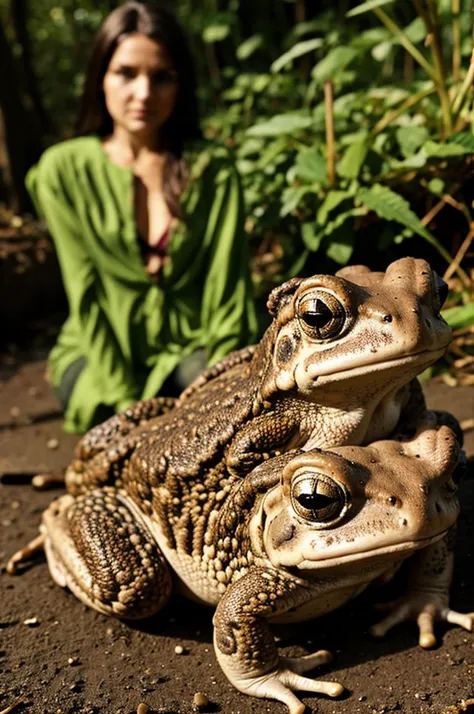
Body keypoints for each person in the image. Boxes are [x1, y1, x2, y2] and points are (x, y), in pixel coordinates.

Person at [26, 1, 257, 434]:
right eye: (127, 73)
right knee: (102, 411)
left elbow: (228, 291)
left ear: (181, 84)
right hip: (102, 351)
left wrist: (229, 394)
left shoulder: (212, 169)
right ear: (100, 77)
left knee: (211, 400)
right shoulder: (62, 171)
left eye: (162, 76)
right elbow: (86, 293)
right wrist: (126, 405)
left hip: (193, 346)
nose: (144, 93)